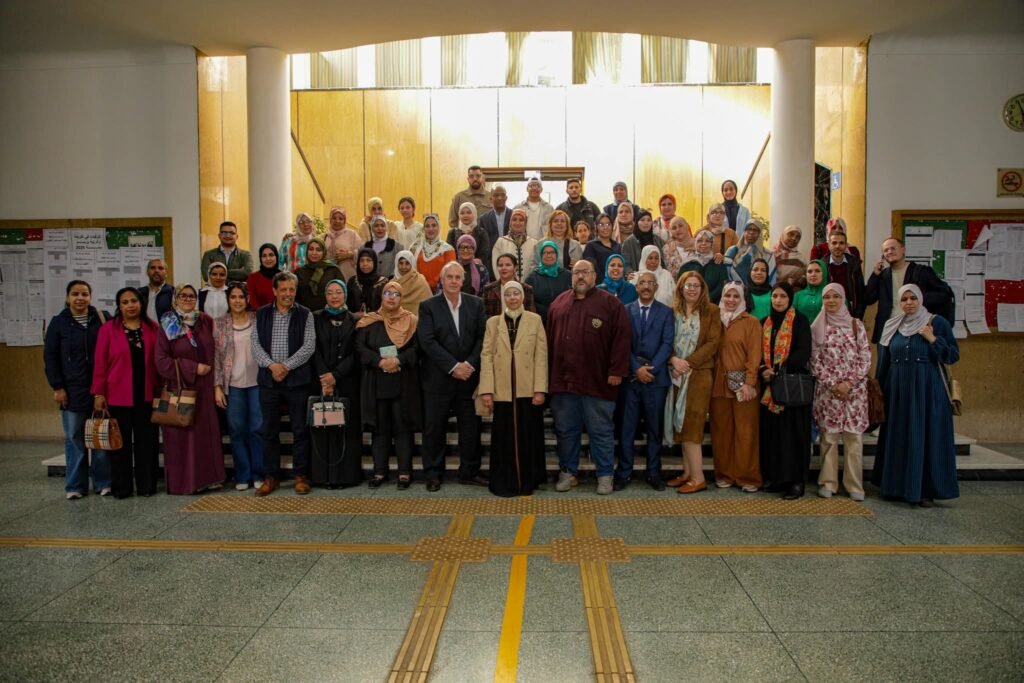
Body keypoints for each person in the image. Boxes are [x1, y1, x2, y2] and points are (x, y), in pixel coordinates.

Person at [547, 260, 631, 495]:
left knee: (601, 431)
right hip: (564, 383)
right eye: (577, 272)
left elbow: (622, 339)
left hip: (598, 382)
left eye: (585, 272)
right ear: (571, 276)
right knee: (566, 431)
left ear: (595, 276)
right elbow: (549, 341)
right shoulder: (558, 303)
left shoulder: (611, 304)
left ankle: (605, 475)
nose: (581, 276)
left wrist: (616, 371)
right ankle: (568, 472)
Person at [872, 284, 960, 506]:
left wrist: (933, 339)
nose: (909, 303)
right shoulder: (893, 325)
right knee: (899, 436)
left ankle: (923, 490)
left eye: (913, 298)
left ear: (921, 299)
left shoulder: (936, 322)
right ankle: (895, 487)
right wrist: (878, 393)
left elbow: (952, 355)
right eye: (904, 299)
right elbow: (885, 361)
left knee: (923, 436)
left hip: (926, 391)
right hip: (897, 391)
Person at [417, 261, 488, 491]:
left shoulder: (476, 304)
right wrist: (453, 366)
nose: (454, 281)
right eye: (450, 277)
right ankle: (433, 474)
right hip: (438, 379)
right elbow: (427, 341)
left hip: (468, 378)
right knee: (434, 429)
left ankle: (469, 472)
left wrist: (469, 364)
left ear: (463, 280)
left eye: (458, 277)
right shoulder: (428, 306)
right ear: (442, 280)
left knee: (471, 429)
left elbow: (483, 338)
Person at [478, 281, 549, 497]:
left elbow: (541, 356)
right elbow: (486, 357)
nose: (512, 297)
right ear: (503, 297)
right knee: (503, 438)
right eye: (508, 294)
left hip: (527, 389)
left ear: (523, 296)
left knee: (529, 436)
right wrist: (487, 390)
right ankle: (504, 482)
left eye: (516, 293)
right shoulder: (493, 323)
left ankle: (528, 481)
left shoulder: (535, 320)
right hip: (502, 390)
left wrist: (540, 389)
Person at [155, 284, 225, 495]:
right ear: (175, 299)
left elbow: (217, 351)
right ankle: (184, 483)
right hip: (180, 389)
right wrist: (193, 368)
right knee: (183, 438)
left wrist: (217, 384)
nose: (187, 299)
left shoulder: (205, 321)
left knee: (205, 437)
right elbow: (161, 361)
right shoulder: (167, 323)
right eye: (183, 296)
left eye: (191, 295)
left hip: (205, 389)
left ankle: (209, 479)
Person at [44, 280, 111, 499]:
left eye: (84, 294)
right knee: (74, 438)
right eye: (75, 294)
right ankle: (75, 485)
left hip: (99, 388)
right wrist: (57, 386)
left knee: (99, 436)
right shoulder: (59, 323)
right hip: (72, 390)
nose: (80, 298)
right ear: (68, 297)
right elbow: (50, 357)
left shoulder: (101, 319)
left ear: (90, 297)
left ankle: (103, 482)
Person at [251, 271, 316, 496]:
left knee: (300, 429)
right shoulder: (261, 314)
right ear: (274, 291)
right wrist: (272, 366)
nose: (288, 294)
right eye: (284, 289)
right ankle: (271, 477)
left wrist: (285, 366)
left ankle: (301, 476)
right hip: (269, 381)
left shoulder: (305, 314)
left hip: (297, 381)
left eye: (292, 289)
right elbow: (255, 345)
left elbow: (309, 346)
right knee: (269, 431)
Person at [92, 287, 160, 498]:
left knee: (146, 443)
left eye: (134, 301)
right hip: (118, 395)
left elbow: (159, 361)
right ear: (119, 306)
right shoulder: (108, 330)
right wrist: (99, 393)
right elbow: (100, 363)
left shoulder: (153, 328)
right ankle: (122, 487)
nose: (130, 305)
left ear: (141, 303)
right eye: (125, 302)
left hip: (147, 394)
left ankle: (146, 486)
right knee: (119, 444)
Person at [356, 280, 422, 489]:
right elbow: (359, 348)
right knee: (380, 429)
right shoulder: (369, 321)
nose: (391, 298)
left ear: (402, 298)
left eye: (396, 294)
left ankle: (404, 473)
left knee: (403, 429)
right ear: (381, 296)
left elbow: (418, 348)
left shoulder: (411, 321)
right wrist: (379, 361)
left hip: (403, 382)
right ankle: (379, 472)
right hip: (377, 382)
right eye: (387, 293)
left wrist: (398, 360)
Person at [811, 283, 871, 501]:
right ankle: (828, 482)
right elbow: (814, 361)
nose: (831, 301)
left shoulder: (856, 325)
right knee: (829, 438)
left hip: (854, 392)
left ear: (843, 299)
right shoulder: (818, 326)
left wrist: (849, 383)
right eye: (827, 297)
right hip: (829, 393)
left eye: (836, 296)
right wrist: (834, 384)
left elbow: (865, 357)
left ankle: (854, 485)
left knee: (854, 439)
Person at [615, 272, 673, 491]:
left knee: (654, 430)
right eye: (642, 283)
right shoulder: (625, 310)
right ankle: (624, 473)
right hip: (631, 380)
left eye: (650, 283)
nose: (646, 286)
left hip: (656, 380)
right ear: (636, 287)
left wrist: (651, 369)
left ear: (656, 287)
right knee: (627, 429)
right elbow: (621, 343)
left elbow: (667, 344)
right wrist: (636, 368)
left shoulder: (666, 312)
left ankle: (653, 473)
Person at [665, 273, 722, 494]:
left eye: (696, 285)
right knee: (680, 423)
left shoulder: (711, 311)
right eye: (688, 285)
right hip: (676, 373)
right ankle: (687, 473)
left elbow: (713, 343)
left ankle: (698, 478)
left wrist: (687, 363)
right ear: (680, 288)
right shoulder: (673, 311)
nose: (692, 289)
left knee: (692, 425)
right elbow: (665, 340)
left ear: (702, 288)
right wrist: (673, 360)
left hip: (698, 374)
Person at [758, 283, 813, 499]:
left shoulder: (800, 321)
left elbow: (804, 351)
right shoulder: (765, 322)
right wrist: (763, 369)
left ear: (790, 299)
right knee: (773, 436)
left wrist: (779, 369)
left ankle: (795, 482)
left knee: (794, 436)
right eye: (775, 296)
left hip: (791, 389)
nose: (778, 300)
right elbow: (757, 352)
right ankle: (776, 478)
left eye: (782, 296)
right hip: (769, 389)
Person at [708, 283, 761, 494]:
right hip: (718, 386)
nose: (731, 300)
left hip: (743, 386)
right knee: (721, 432)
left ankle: (747, 476)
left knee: (746, 433)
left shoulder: (751, 322)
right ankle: (724, 474)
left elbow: (754, 355)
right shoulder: (715, 321)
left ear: (743, 299)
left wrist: (750, 382)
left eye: (735, 296)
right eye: (727, 295)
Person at [310, 279, 363, 488]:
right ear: (325, 295)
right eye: (330, 292)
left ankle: (346, 477)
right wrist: (325, 377)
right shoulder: (315, 318)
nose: (334, 296)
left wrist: (336, 375)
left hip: (347, 382)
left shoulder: (355, 320)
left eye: (338, 292)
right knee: (323, 426)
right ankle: (323, 477)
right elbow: (313, 348)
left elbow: (357, 351)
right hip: (321, 382)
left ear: (345, 295)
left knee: (346, 430)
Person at [213, 282, 263, 491]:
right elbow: (216, 357)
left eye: (241, 297)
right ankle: (243, 475)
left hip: (257, 383)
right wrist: (217, 386)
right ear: (228, 300)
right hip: (232, 385)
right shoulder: (219, 323)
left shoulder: (257, 319)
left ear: (247, 299)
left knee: (257, 429)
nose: (237, 301)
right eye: (233, 297)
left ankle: (259, 473)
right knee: (236, 430)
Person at [865, 237, 954, 343]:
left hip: (915, 329)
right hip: (888, 330)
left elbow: (944, 295)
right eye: (886, 250)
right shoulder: (883, 275)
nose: (889, 252)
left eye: (893, 248)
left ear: (903, 249)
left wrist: (917, 298)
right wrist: (875, 275)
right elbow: (868, 298)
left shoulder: (921, 272)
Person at [526, 241, 573, 322]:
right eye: (545, 253)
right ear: (541, 255)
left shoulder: (567, 275)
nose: (548, 255)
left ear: (557, 254)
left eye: (552, 252)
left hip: (563, 319)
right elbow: (528, 301)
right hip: (540, 320)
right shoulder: (533, 277)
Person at [678, 230, 729, 303]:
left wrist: (706, 298)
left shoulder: (718, 263)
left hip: (712, 304)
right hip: (690, 303)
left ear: (712, 244)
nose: (703, 243)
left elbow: (722, 285)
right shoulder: (687, 264)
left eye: (707, 241)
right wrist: (692, 297)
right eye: (700, 241)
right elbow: (681, 284)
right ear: (695, 243)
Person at [824, 231, 866, 319]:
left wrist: (858, 315)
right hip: (828, 311)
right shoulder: (822, 265)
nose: (837, 246)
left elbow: (860, 291)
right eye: (834, 243)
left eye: (841, 243)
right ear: (829, 245)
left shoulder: (854, 264)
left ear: (846, 245)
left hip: (850, 312)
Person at [296, 237, 342, 312]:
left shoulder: (333, 270)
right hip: (304, 314)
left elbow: (342, 295)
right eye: (311, 249)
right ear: (307, 251)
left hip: (328, 314)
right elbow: (295, 297)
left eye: (318, 250)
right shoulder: (299, 272)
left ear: (323, 252)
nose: (314, 253)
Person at [492, 208, 538, 280]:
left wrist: (529, 283)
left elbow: (536, 266)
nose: (517, 223)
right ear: (510, 222)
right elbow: (496, 265)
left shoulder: (534, 243)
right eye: (514, 219)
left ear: (525, 223)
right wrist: (504, 282)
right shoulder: (501, 242)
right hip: (507, 284)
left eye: (521, 220)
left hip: (529, 285)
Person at [725, 220, 776, 286]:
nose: (751, 232)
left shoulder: (768, 255)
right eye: (748, 229)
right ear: (744, 232)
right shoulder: (732, 251)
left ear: (760, 234)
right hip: (735, 289)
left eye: (755, 230)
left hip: (759, 290)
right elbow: (726, 273)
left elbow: (771, 279)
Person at [415, 214, 456, 292]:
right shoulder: (416, 247)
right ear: (423, 229)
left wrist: (431, 285)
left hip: (440, 291)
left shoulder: (447, 249)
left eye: (434, 225)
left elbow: (450, 273)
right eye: (427, 226)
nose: (431, 229)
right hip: (420, 291)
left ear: (439, 227)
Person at [447, 202, 493, 270]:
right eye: (462, 213)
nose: (465, 215)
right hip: (456, 268)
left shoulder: (481, 232)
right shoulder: (452, 233)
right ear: (459, 215)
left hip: (477, 268)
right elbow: (450, 252)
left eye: (469, 213)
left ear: (474, 214)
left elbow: (485, 253)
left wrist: (475, 261)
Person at [347, 248, 388, 317]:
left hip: (378, 321)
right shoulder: (352, 281)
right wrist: (354, 315)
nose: (365, 264)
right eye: (362, 260)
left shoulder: (384, 283)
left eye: (368, 260)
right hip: (354, 321)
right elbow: (346, 306)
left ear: (374, 262)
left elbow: (387, 307)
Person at [323, 206, 361, 281]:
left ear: (344, 221)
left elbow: (363, 253)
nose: (337, 221)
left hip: (348, 276)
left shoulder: (352, 235)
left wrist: (349, 254)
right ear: (330, 220)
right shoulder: (324, 237)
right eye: (334, 218)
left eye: (341, 218)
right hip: (328, 276)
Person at [622, 209, 664, 273]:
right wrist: (633, 275)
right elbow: (626, 264)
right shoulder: (628, 242)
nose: (646, 223)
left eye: (649, 220)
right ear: (637, 222)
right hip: (637, 277)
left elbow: (663, 262)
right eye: (642, 220)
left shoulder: (658, 240)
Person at [393, 250, 432, 316]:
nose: (404, 267)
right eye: (401, 263)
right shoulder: (392, 284)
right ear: (397, 264)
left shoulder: (420, 281)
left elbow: (429, 305)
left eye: (407, 263)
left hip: (419, 319)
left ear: (412, 264)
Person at [514, 177, 554, 241]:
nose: (534, 188)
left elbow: (552, 229)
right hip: (522, 243)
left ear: (541, 189)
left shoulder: (549, 209)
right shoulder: (518, 208)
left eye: (537, 186)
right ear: (527, 189)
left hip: (543, 244)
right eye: (531, 186)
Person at [246, 244, 280, 310]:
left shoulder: (284, 277)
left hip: (282, 315)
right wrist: (262, 314)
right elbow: (252, 301)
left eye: (271, 255)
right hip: (259, 314)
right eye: (264, 256)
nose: (268, 259)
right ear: (260, 259)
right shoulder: (253, 278)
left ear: (276, 256)